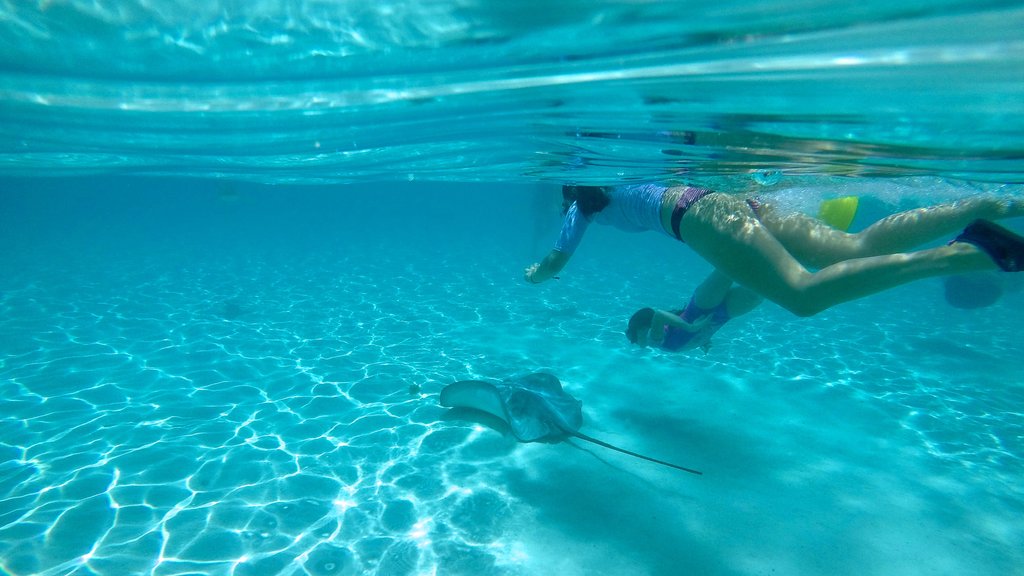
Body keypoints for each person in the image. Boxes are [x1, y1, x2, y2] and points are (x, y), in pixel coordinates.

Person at [524, 184, 1024, 316]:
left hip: (698, 217)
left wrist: (533, 276)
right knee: (853, 245)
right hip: (734, 202)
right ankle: (983, 207)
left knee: (802, 295)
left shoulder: (582, 208)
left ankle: (970, 253)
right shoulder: (622, 174)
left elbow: (553, 263)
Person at [626, 270, 762, 353]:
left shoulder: (654, 339)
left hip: (701, 307)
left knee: (730, 266)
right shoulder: (659, 339)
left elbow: (659, 315)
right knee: (760, 289)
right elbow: (682, 334)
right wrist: (703, 340)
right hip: (720, 316)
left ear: (643, 329)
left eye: (634, 336)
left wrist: (690, 327)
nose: (634, 342)